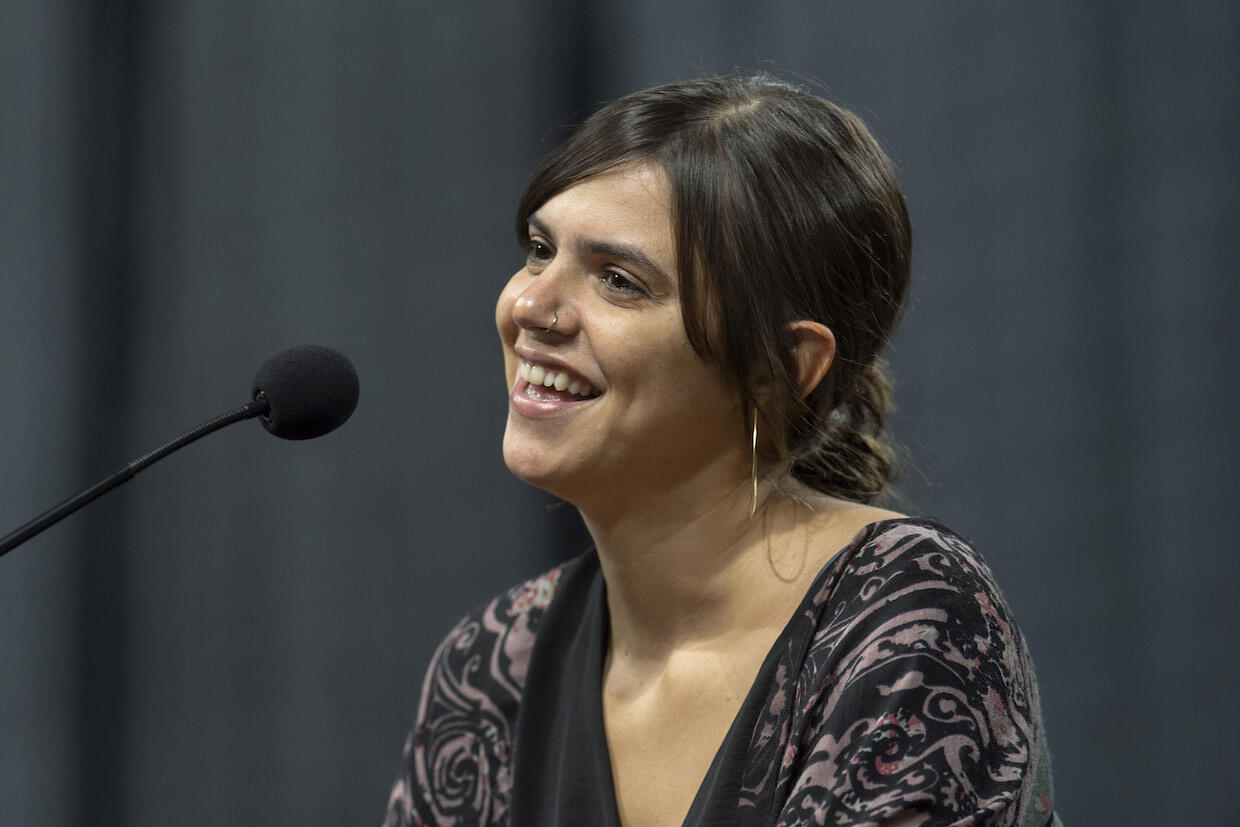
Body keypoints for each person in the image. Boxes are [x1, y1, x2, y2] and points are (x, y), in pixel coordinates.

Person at [384, 75, 1058, 827]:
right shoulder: (492, 669)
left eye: (618, 280)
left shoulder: (903, 614)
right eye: (540, 250)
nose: (530, 307)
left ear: (780, 367)